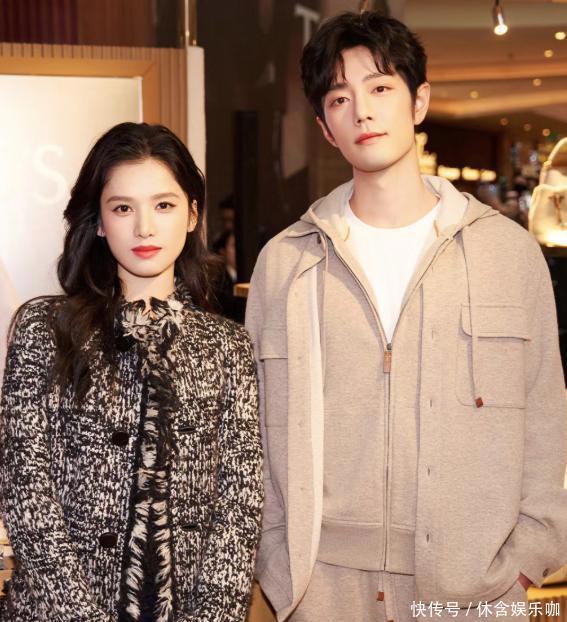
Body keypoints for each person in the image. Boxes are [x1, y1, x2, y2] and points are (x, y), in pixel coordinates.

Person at [246, 11, 567, 622]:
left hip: (477, 589)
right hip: (322, 589)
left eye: (380, 87)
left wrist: (529, 554)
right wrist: (276, 558)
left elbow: (547, 414)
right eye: (340, 98)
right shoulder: (287, 262)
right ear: (325, 127)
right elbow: (255, 428)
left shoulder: (507, 254)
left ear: (419, 102)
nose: (362, 112)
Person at [0, 122, 263, 622]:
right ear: (99, 221)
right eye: (123, 208)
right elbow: (26, 489)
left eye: (163, 205)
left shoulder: (227, 346)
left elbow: (239, 501)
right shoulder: (43, 329)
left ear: (192, 214)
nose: (144, 227)